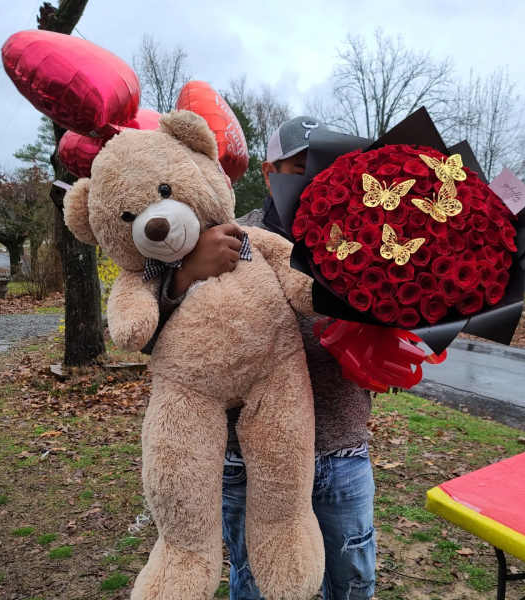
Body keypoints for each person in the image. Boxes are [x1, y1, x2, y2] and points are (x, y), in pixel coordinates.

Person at [151, 116, 376, 600]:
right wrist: (185, 275)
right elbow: (153, 332)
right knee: (255, 580)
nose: (314, 179)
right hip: (248, 457)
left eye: (327, 168)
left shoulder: (364, 236)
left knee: (353, 579)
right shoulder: (225, 237)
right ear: (270, 173)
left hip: (341, 448)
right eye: (300, 167)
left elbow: (390, 322)